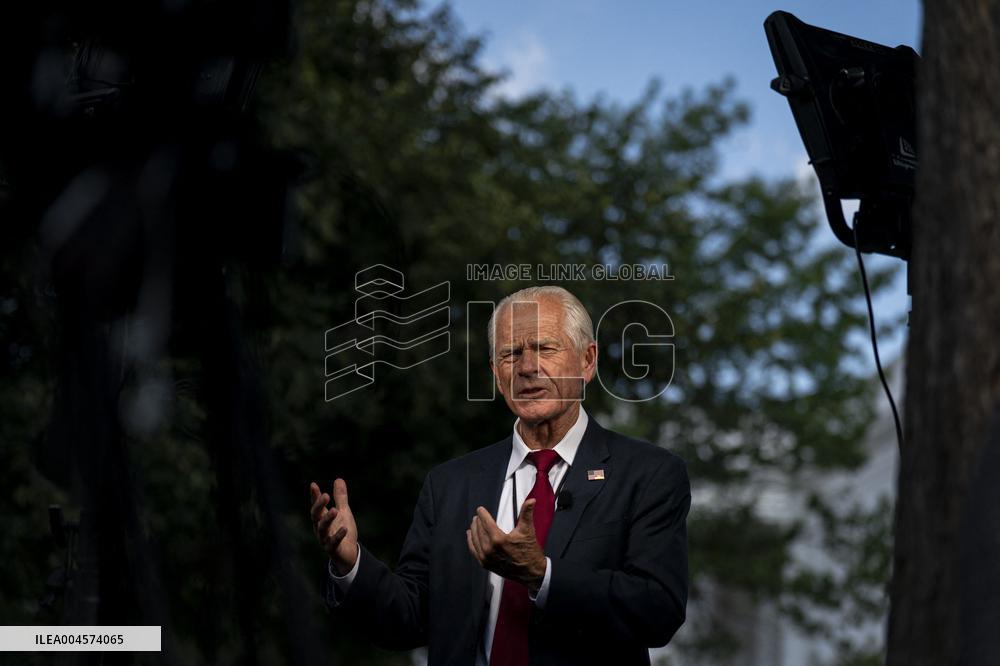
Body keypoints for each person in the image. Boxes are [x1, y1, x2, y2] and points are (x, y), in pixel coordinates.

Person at [309, 285, 690, 665]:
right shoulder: (450, 485)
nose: (527, 367)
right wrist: (351, 564)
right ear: (495, 372)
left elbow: (657, 611)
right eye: (511, 354)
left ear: (587, 361)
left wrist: (543, 575)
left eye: (544, 348)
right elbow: (409, 619)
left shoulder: (647, 474)